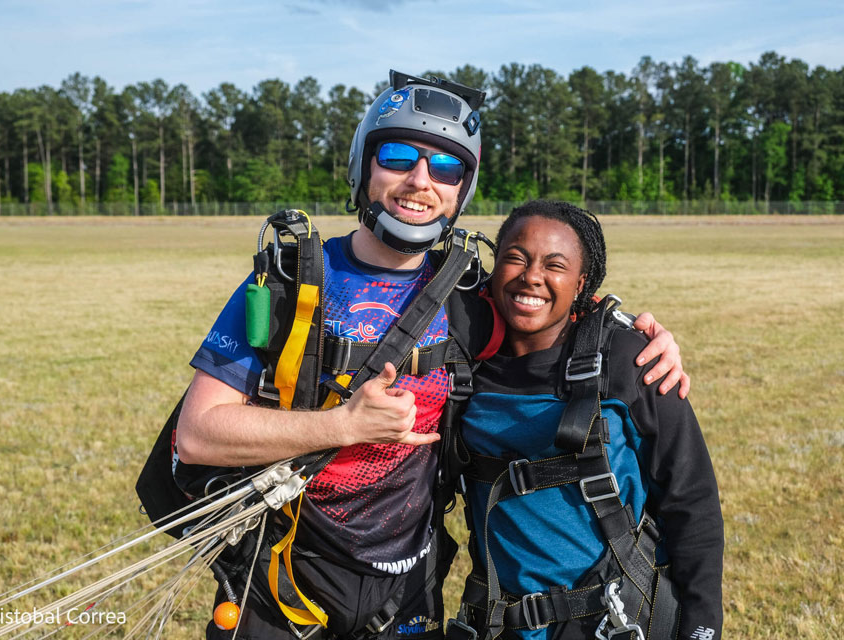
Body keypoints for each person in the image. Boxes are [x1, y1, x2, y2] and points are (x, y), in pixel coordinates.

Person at [173, 72, 688, 640]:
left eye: (446, 168)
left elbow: (557, 307)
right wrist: (340, 425)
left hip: (406, 591)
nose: (420, 181)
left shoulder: (471, 296)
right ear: (363, 165)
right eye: (398, 156)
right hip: (281, 582)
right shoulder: (293, 281)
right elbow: (198, 434)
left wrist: (641, 333)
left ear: (461, 190)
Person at [451, 200, 723, 640]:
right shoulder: (461, 355)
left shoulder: (631, 361)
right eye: (515, 258)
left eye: (554, 265)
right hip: (496, 623)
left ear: (582, 283)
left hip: (611, 622)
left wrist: (702, 627)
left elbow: (691, 500)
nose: (531, 276)